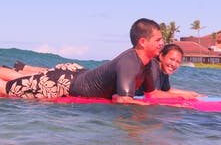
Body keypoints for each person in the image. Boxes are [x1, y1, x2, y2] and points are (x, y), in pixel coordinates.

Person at [0, 18, 195, 104]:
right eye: (158, 40)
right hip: (62, 84)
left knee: (17, 79)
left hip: (76, 73)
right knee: (6, 90)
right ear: (143, 42)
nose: (162, 43)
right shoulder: (130, 62)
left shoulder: (145, 64)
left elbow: (152, 94)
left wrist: (183, 99)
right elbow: (122, 100)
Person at [136, 43, 205, 98]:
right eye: (171, 59)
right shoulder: (152, 67)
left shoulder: (163, 71)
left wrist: (192, 93)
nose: (173, 64)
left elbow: (167, 90)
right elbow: (153, 94)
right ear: (161, 56)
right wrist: (180, 96)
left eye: (178, 62)